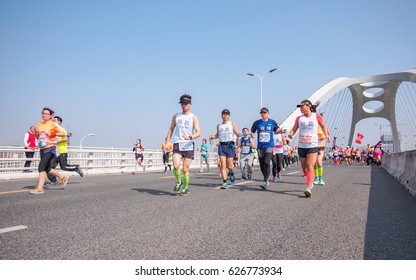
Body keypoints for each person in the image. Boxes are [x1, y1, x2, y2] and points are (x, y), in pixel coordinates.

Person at [288, 100, 329, 197]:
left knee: (310, 166)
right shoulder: (299, 118)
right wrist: (291, 134)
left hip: (312, 145)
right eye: (300, 107)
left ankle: (309, 187)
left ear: (308, 106)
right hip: (302, 146)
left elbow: (323, 126)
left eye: (302, 106)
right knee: (304, 168)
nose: (301, 108)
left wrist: (326, 135)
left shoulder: (316, 116)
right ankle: (309, 179)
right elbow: (294, 129)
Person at [166, 94, 201, 196]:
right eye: (182, 103)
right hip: (178, 143)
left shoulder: (193, 117)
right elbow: (171, 128)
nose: (183, 105)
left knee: (185, 169)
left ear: (190, 104)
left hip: (188, 145)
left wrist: (190, 137)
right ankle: (179, 181)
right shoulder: (176, 116)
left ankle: (185, 188)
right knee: (176, 166)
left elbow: (199, 132)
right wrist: (168, 142)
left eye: (186, 103)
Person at [30, 107, 69, 194]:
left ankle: (40, 188)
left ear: (50, 116)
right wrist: (36, 131)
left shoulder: (53, 124)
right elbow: (37, 137)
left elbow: (63, 134)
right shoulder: (39, 124)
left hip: (50, 148)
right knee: (47, 169)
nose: (44, 115)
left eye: (47, 114)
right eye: (43, 113)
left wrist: (52, 133)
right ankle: (62, 177)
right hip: (42, 148)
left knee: (41, 167)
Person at [251, 107, 280, 189]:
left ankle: (265, 181)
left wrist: (279, 131)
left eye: (265, 113)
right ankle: (266, 180)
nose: (263, 114)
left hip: (269, 146)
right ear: (260, 114)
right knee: (262, 165)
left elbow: (277, 130)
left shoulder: (272, 122)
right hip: (260, 147)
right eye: (262, 113)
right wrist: (252, 134)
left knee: (267, 162)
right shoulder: (257, 123)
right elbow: (252, 131)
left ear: (268, 113)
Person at [210, 109, 239, 189]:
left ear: (229, 116)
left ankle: (232, 173)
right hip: (221, 145)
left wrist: (237, 134)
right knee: (223, 165)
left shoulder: (232, 124)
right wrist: (213, 136)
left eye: (226, 114)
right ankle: (225, 182)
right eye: (223, 114)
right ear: (221, 115)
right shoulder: (219, 125)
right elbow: (217, 135)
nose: (225, 116)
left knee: (230, 166)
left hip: (230, 145)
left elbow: (236, 132)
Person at [313, 111, 327, 185]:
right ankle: (316, 177)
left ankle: (321, 178)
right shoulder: (313, 126)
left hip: (321, 146)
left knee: (319, 161)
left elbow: (327, 135)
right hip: (313, 146)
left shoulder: (323, 127)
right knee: (314, 163)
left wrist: (326, 136)